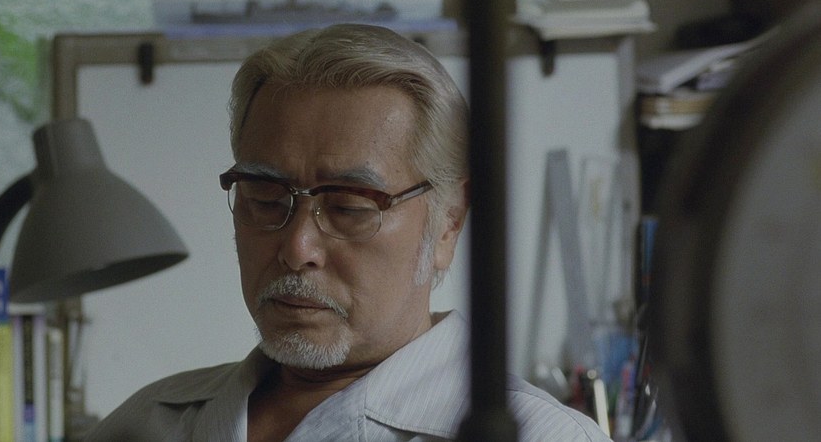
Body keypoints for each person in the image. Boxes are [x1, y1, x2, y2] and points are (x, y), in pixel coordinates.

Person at [84, 23, 610, 441]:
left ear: (448, 221)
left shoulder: (543, 436)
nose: (297, 248)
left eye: (349, 208)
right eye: (266, 198)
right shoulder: (147, 424)